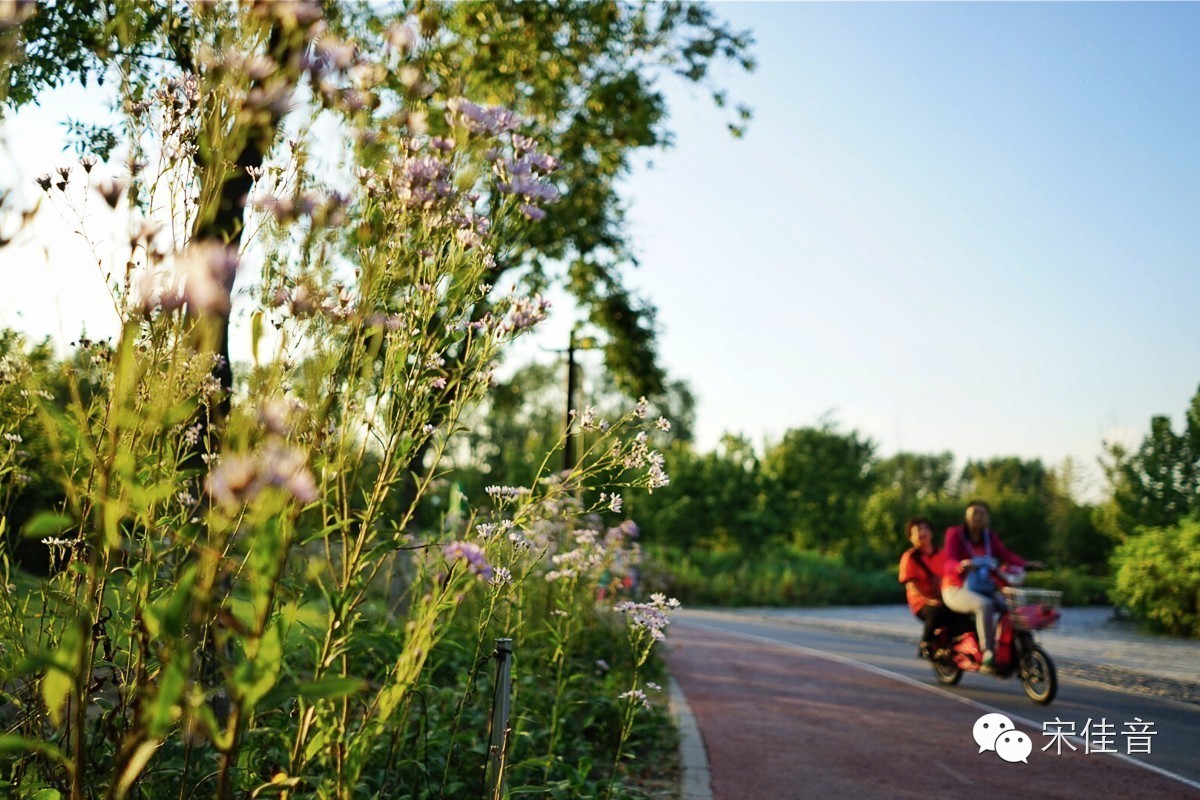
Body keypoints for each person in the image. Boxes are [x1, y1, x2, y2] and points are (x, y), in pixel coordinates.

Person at [941, 500, 1041, 669]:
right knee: (985, 605)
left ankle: (1018, 644)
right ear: (966, 517)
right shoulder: (955, 534)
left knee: (1011, 606)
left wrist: (1026, 564)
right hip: (955, 588)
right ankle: (987, 651)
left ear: (987, 518)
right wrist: (961, 565)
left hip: (984, 587)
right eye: (974, 514)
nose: (978, 518)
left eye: (982, 514)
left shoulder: (989, 537)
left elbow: (1006, 555)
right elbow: (949, 560)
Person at [897, 517, 949, 659]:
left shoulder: (942, 553)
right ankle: (926, 642)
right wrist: (928, 601)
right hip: (921, 603)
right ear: (911, 537)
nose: (922, 532)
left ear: (931, 533)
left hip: (945, 597)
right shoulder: (910, 557)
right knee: (936, 611)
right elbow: (911, 585)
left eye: (925, 529)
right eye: (917, 530)